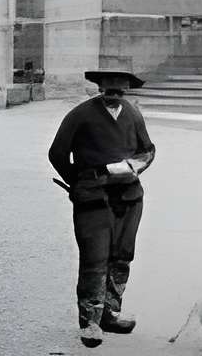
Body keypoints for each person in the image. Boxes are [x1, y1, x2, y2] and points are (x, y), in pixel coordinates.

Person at [48, 65, 157, 347]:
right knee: (95, 259)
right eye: (109, 85)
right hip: (93, 198)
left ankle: (110, 314)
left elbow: (148, 150)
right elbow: (57, 154)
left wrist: (131, 167)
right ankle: (90, 322)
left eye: (120, 86)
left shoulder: (133, 114)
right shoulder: (80, 114)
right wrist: (80, 182)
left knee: (121, 257)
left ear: (127, 88)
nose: (115, 91)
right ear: (100, 85)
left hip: (129, 197)